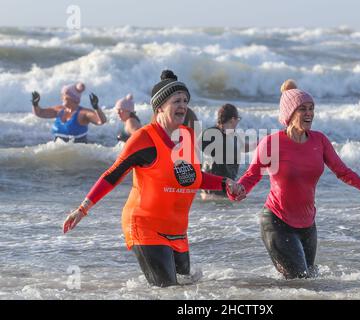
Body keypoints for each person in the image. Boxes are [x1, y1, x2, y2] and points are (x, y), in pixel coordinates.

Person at [62, 70, 244, 287]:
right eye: (176, 101)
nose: (183, 106)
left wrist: (225, 183)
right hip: (145, 226)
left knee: (186, 287)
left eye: (185, 101)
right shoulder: (144, 139)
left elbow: (192, 177)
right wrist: (83, 208)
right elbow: (112, 175)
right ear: (160, 107)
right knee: (167, 291)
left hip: (177, 231)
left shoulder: (187, 135)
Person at [229, 79, 360, 279]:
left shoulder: (320, 140)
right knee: (301, 280)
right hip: (277, 221)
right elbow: (252, 174)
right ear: (289, 115)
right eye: (302, 109)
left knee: (308, 280)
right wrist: (240, 189)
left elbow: (342, 171)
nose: (309, 113)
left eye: (311, 108)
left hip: (308, 225)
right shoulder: (271, 143)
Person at [201, 104, 250, 198]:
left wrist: (262, 143)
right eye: (238, 119)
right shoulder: (210, 134)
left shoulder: (233, 135)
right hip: (212, 189)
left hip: (225, 188)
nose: (237, 122)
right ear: (232, 119)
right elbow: (194, 148)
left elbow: (243, 147)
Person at [31, 82, 107, 143]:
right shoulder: (59, 110)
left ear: (72, 98)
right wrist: (35, 104)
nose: (62, 97)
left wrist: (96, 107)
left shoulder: (83, 113)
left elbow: (101, 121)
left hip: (79, 154)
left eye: (64, 95)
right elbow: (39, 113)